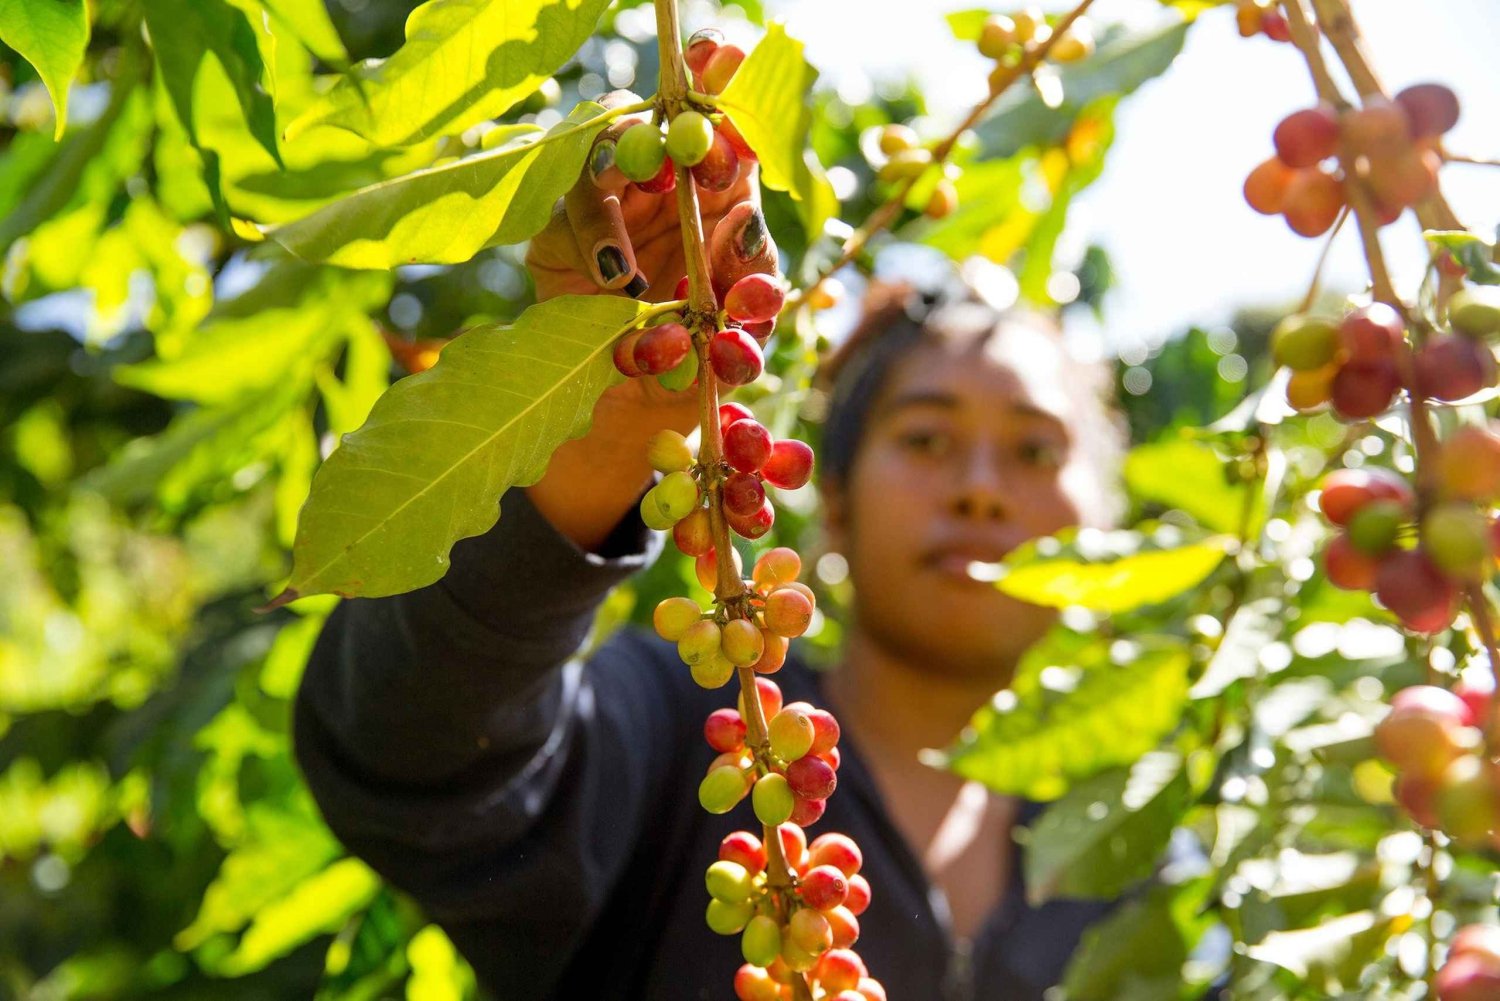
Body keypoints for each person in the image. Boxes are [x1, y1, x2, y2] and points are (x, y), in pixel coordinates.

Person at [292, 106, 1150, 1001]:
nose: (981, 486)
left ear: (1104, 523)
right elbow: (408, 757)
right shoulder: (674, 727)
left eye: (1038, 449)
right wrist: (593, 451)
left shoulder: (1142, 864)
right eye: (927, 440)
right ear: (839, 506)